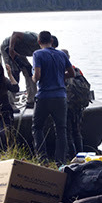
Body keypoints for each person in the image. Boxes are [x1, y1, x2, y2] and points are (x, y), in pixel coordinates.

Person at [32, 30, 76, 165]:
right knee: (61, 129)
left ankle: (43, 159)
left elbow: (37, 76)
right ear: (51, 41)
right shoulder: (61, 54)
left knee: (37, 127)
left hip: (44, 96)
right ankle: (60, 162)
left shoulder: (37, 54)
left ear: (39, 42)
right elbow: (72, 73)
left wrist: (33, 78)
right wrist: (61, 77)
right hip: (60, 97)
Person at [60, 49, 90, 156]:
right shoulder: (76, 70)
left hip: (67, 104)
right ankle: (81, 155)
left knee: (67, 132)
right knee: (77, 132)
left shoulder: (61, 71)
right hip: (78, 105)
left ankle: (72, 156)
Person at [0, 31, 40, 106]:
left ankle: (31, 99)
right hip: (8, 47)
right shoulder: (33, 38)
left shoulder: (44, 50)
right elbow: (15, 34)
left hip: (19, 51)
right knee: (14, 74)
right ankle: (8, 103)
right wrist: (11, 49)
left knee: (29, 72)